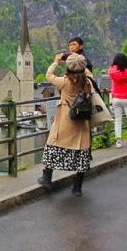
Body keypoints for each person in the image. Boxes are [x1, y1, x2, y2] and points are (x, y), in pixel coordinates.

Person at [37, 52, 92, 197]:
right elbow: (87, 72)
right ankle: (77, 187)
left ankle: (47, 179)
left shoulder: (64, 81)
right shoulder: (87, 81)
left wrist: (56, 61)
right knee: (81, 153)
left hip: (65, 121)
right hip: (82, 122)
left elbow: (48, 75)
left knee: (53, 146)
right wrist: (78, 61)